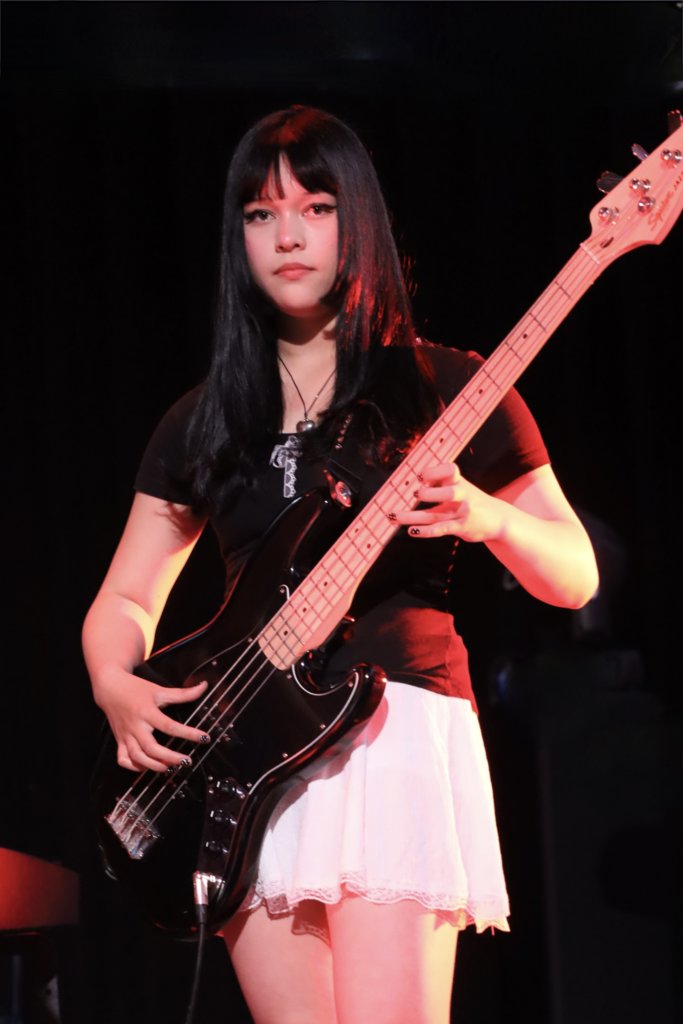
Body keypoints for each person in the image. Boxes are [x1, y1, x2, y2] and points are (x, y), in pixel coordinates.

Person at [82, 105, 599, 1024]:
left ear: (355, 219)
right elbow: (127, 594)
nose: (287, 235)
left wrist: (483, 515)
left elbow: (573, 574)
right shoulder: (203, 417)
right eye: (261, 213)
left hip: (390, 731)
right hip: (248, 758)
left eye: (314, 208)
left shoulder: (449, 386)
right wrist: (114, 683)